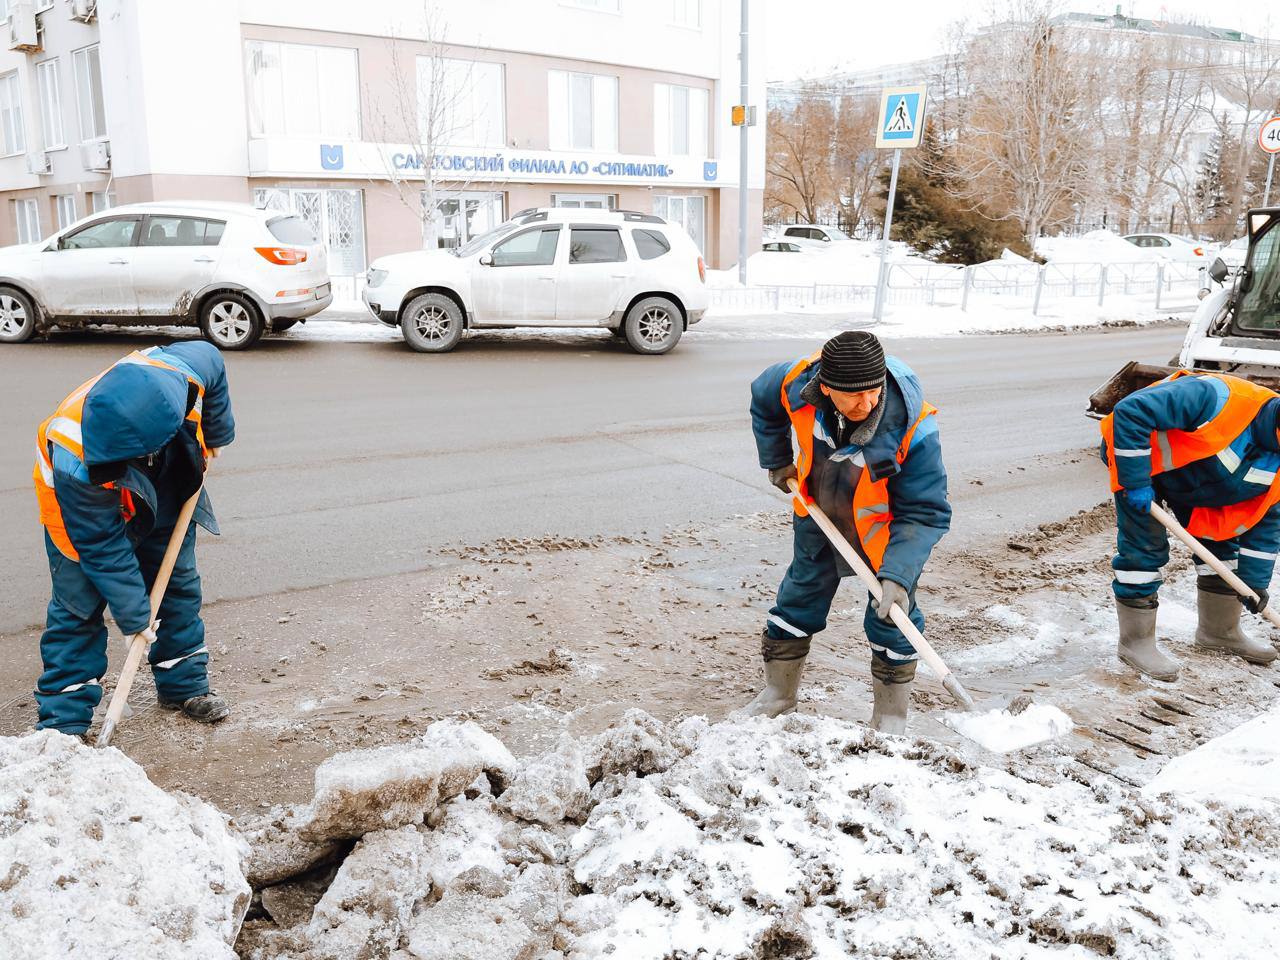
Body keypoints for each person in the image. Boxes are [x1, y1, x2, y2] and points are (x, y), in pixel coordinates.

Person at [742, 331, 951, 732]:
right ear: (825, 387)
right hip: (819, 514)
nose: (867, 403)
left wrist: (898, 574)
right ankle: (778, 694)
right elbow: (764, 396)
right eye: (854, 395)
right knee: (798, 597)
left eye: (874, 391)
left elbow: (925, 512)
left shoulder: (913, 427)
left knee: (892, 616)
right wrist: (777, 459)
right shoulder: (797, 384)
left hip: (885, 535)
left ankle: (890, 716)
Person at [32, 342, 236, 736]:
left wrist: (216, 430)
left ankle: (183, 685)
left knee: (175, 584)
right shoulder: (73, 456)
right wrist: (135, 617)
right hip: (78, 509)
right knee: (78, 606)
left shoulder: (181, 368)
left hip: (163, 479)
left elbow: (213, 360)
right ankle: (64, 720)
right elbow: (102, 548)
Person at [1100, 370, 1280, 679]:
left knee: (1221, 543)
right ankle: (1135, 643)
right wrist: (1135, 481)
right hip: (1139, 465)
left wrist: (1253, 583)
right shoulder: (1216, 398)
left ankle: (1219, 632)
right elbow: (1131, 411)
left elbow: (1267, 520)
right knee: (1144, 550)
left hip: (1202, 479)